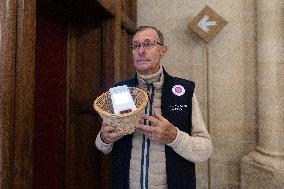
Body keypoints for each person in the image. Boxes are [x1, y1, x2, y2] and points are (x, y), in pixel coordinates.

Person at [95, 26, 213, 189]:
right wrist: (104, 139)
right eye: (136, 45)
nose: (141, 51)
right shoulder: (120, 90)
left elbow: (205, 150)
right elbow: (102, 145)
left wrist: (174, 138)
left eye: (148, 44)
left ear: (163, 50)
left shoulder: (184, 90)